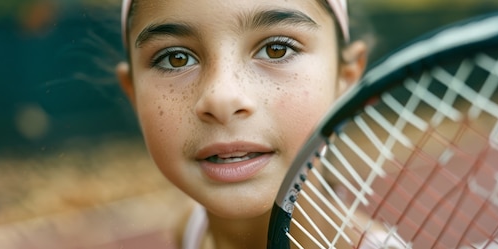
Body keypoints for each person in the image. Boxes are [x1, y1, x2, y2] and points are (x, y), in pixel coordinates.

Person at [115, 0, 368, 248]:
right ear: (133, 92)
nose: (221, 98)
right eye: (176, 58)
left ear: (345, 80)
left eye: (276, 49)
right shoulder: (190, 228)